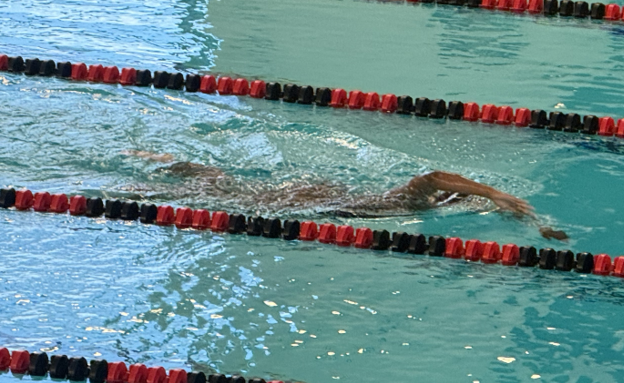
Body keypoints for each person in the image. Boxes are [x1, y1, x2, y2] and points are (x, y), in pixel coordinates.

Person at [126, 152, 568, 240]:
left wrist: (518, 214)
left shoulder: (407, 206)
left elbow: (447, 186)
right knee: (226, 193)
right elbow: (431, 177)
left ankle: (168, 162)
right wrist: (495, 192)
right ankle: (145, 181)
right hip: (302, 203)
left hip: (312, 195)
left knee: (226, 187)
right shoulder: (404, 203)